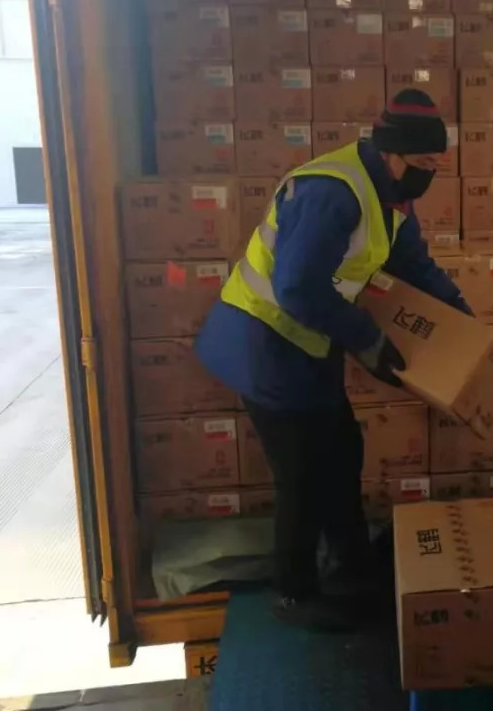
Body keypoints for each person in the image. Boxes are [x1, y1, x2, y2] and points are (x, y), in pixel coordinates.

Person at [194, 90, 471, 632]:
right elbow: (296, 288)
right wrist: (367, 340)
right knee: (301, 474)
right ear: (392, 152)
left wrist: (464, 321)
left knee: (343, 450)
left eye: (437, 164)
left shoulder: (391, 195)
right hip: (266, 344)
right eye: (424, 162)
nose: (430, 174)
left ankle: (350, 561)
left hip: (311, 343)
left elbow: (415, 265)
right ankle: (293, 593)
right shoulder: (332, 193)